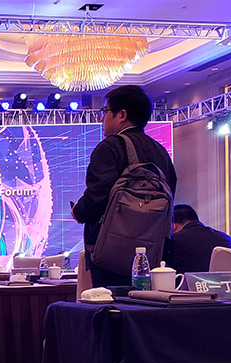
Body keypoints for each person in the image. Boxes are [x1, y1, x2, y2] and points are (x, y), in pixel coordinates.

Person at [72, 85, 177, 287]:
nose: (102, 119)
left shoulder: (111, 146)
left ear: (121, 115)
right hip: (154, 250)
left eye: (105, 111)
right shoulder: (160, 151)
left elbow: (98, 195)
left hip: (112, 252)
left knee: (109, 302)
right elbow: (171, 192)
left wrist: (78, 211)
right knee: (144, 303)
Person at [164, 204, 231, 274]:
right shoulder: (225, 239)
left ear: (173, 226)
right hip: (221, 281)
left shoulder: (174, 241)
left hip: (187, 281)